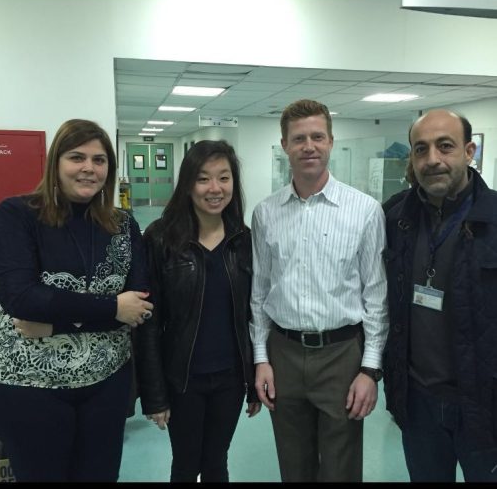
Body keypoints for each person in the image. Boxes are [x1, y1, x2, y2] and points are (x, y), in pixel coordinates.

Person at [0, 119, 153, 482]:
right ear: (56, 162)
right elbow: (21, 298)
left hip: (107, 383)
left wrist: (55, 324)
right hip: (31, 386)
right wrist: (113, 307)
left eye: (99, 160)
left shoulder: (123, 225)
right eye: (76, 157)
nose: (88, 168)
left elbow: (140, 304)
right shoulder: (17, 215)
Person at [250, 99, 389, 482]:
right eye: (299, 139)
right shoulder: (265, 213)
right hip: (283, 353)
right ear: (285, 145)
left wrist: (369, 370)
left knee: (341, 469)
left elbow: (376, 297)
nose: (308, 146)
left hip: (342, 355)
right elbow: (259, 292)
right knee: (293, 466)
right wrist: (261, 358)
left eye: (317, 137)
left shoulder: (365, 211)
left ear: (330, 141)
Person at [133, 140, 261, 482]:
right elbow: (147, 323)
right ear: (188, 184)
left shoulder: (244, 240)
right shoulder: (161, 239)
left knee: (217, 461)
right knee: (186, 465)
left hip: (230, 379)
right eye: (203, 178)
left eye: (224, 178)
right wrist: (154, 395)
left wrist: (252, 382)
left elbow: (253, 316)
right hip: (182, 379)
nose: (215, 188)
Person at [383, 109, 497, 482]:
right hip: (418, 402)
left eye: (445, 146)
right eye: (421, 149)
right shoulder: (395, 217)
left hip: (484, 406)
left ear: (469, 151)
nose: (432, 159)